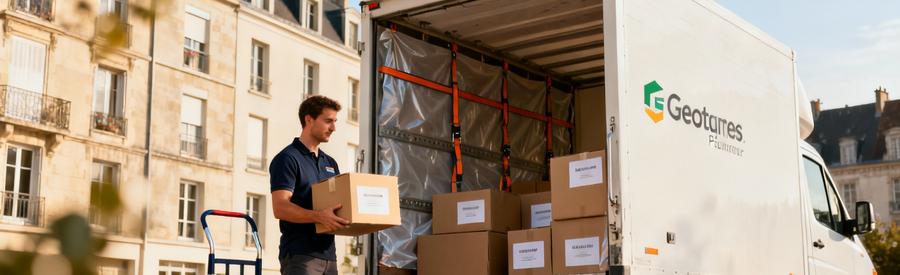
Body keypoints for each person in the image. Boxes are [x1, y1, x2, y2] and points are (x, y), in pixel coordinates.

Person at [270, 95, 349, 275]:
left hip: (330, 257)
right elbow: (280, 207)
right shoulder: (287, 159)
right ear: (309, 119)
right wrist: (319, 217)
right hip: (300, 256)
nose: (334, 128)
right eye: (328, 121)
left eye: (335, 122)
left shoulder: (330, 162)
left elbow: (337, 206)